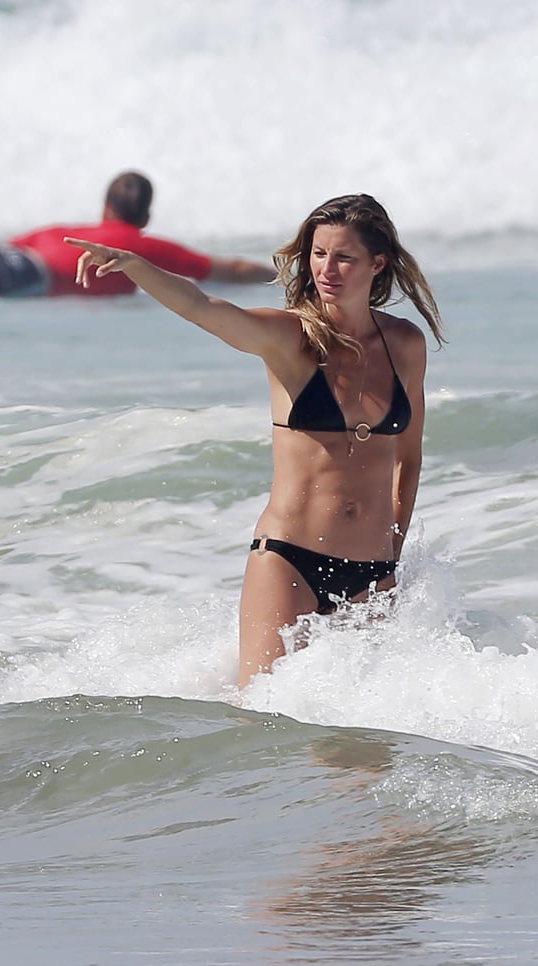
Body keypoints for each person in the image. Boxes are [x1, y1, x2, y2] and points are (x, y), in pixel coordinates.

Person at [65, 193, 445, 687]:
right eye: (318, 254)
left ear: (378, 263)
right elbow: (204, 306)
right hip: (290, 561)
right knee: (271, 722)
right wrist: (138, 268)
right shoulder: (289, 339)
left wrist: (390, 555)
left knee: (364, 743)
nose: (327, 268)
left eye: (344, 257)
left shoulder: (405, 345)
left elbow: (407, 460)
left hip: (371, 573)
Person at [0, 148, 274, 304]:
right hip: (20, 274)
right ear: (144, 218)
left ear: (105, 207)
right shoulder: (137, 246)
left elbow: (2, 246)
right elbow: (232, 271)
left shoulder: (62, 229)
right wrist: (286, 272)